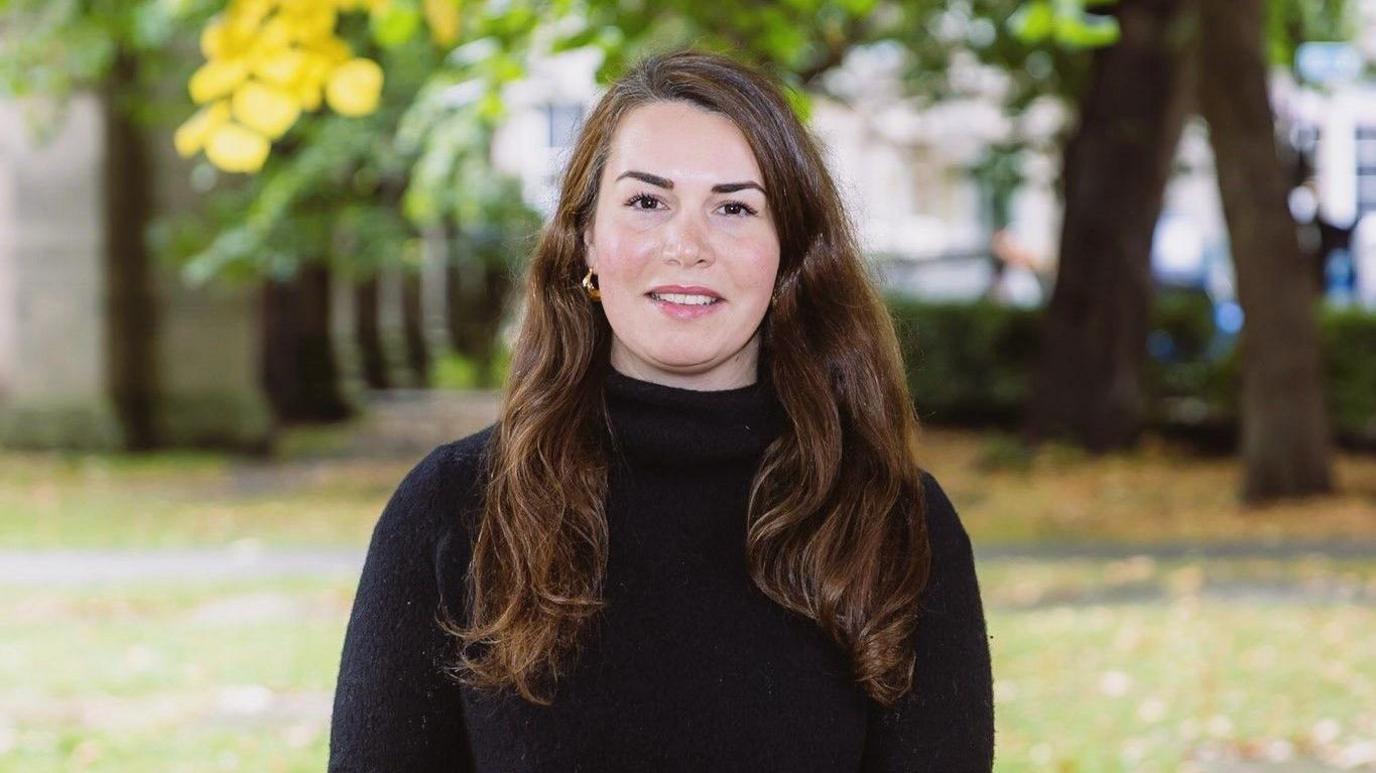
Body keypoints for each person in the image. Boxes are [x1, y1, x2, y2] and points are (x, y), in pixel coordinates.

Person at [328, 49, 995, 771]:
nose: (687, 245)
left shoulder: (893, 525)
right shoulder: (454, 509)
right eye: (647, 202)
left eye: (734, 207)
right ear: (586, 237)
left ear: (789, 257)